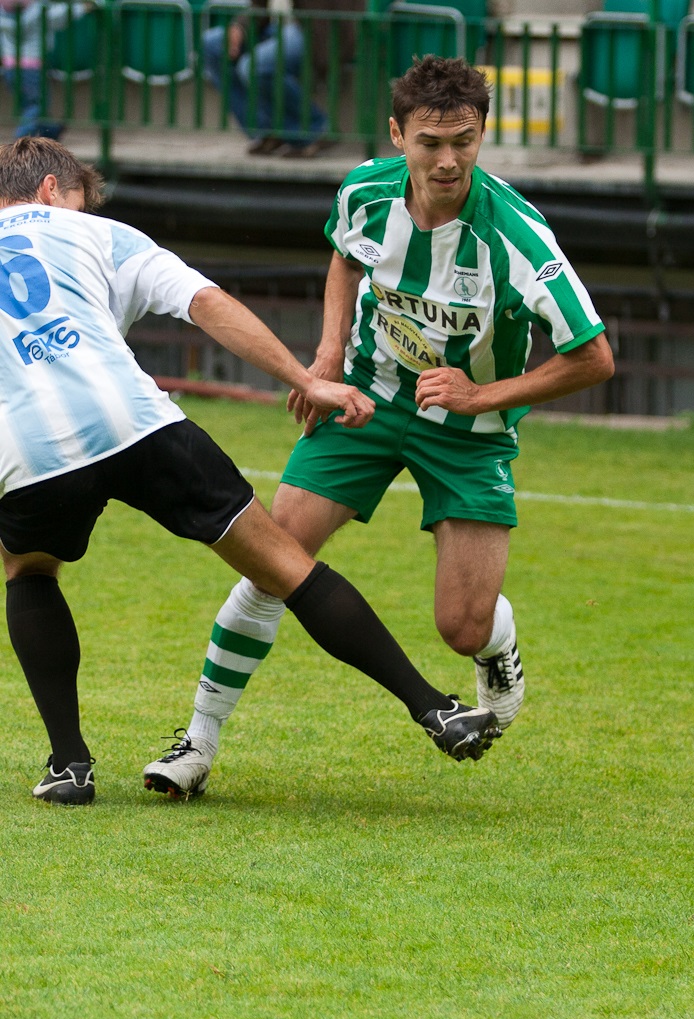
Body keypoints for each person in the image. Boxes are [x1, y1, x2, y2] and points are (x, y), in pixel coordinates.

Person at [143, 55, 615, 800]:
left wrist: (480, 392)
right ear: (399, 135)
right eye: (430, 141)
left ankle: (498, 643)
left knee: (461, 626)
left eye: (464, 139)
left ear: (483, 135)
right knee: (273, 558)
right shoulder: (365, 190)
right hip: (366, 398)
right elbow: (345, 259)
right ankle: (196, 743)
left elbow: (594, 357)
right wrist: (327, 357)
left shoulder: (519, 236)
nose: (448, 159)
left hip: (469, 429)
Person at [0, 136, 502, 805]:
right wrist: (305, 378)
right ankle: (432, 707)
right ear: (50, 192)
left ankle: (70, 765)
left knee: (29, 569)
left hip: (30, 446)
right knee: (286, 566)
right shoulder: (105, 236)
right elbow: (205, 302)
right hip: (141, 422)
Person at [201, 1, 328, 158]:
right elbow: (259, 5)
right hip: (274, 28)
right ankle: (267, 130)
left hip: (317, 29)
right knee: (212, 44)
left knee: (254, 67)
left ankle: (315, 130)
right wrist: (240, 28)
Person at [0, 0, 88, 139]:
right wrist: (82, 7)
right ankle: (20, 141)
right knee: (38, 105)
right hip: (33, 67)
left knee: (29, 106)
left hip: (10, 67)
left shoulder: (3, 15)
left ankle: (51, 133)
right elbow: (61, 16)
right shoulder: (39, 12)